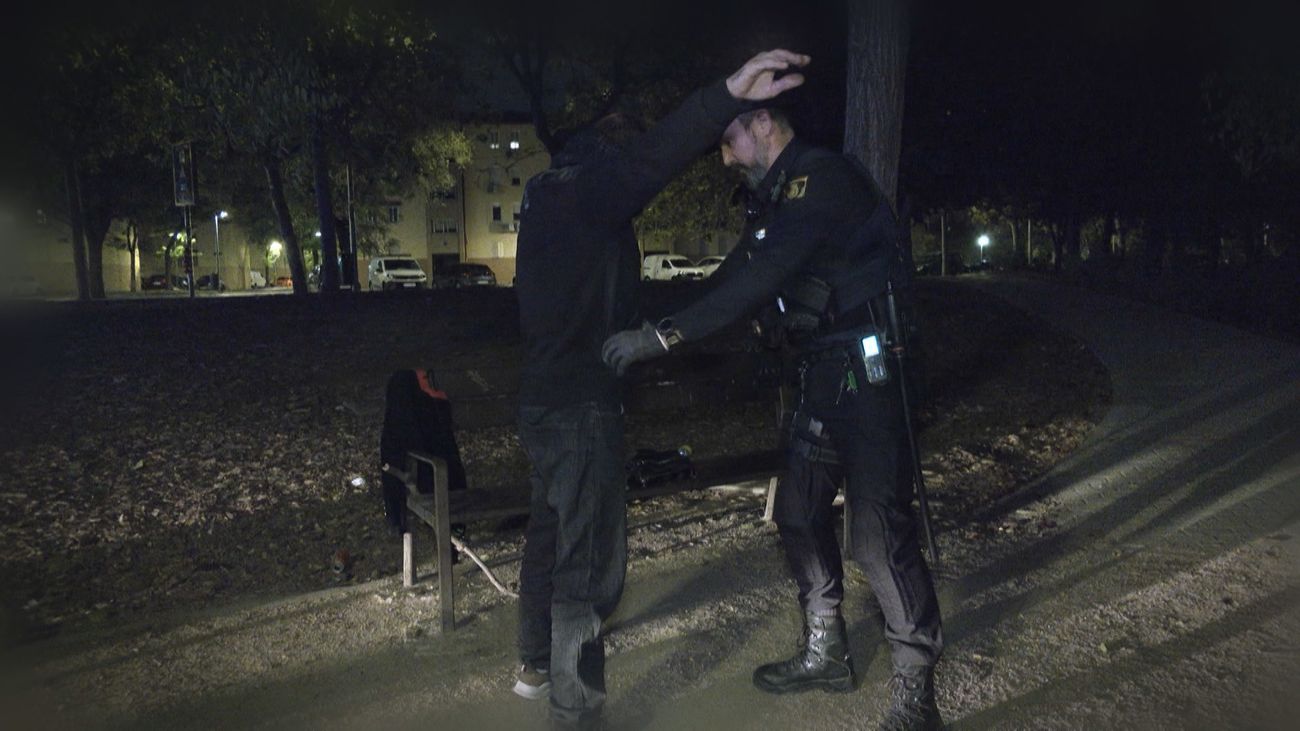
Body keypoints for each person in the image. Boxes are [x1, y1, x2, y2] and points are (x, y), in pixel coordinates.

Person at [601, 103, 945, 730]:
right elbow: (731, 274)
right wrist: (647, 318)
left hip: (869, 379)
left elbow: (757, 282)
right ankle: (827, 651)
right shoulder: (778, 198)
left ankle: (916, 691)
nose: (726, 157)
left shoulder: (824, 180)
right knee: (797, 512)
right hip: (824, 378)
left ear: (763, 123)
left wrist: (664, 339)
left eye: (730, 140)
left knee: (876, 536)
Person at [512, 49, 810, 729]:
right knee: (586, 573)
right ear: (611, 156)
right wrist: (725, 95)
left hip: (542, 399)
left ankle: (532, 665)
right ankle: (576, 713)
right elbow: (651, 161)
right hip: (581, 406)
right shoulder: (592, 192)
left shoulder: (546, 198)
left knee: (549, 533)